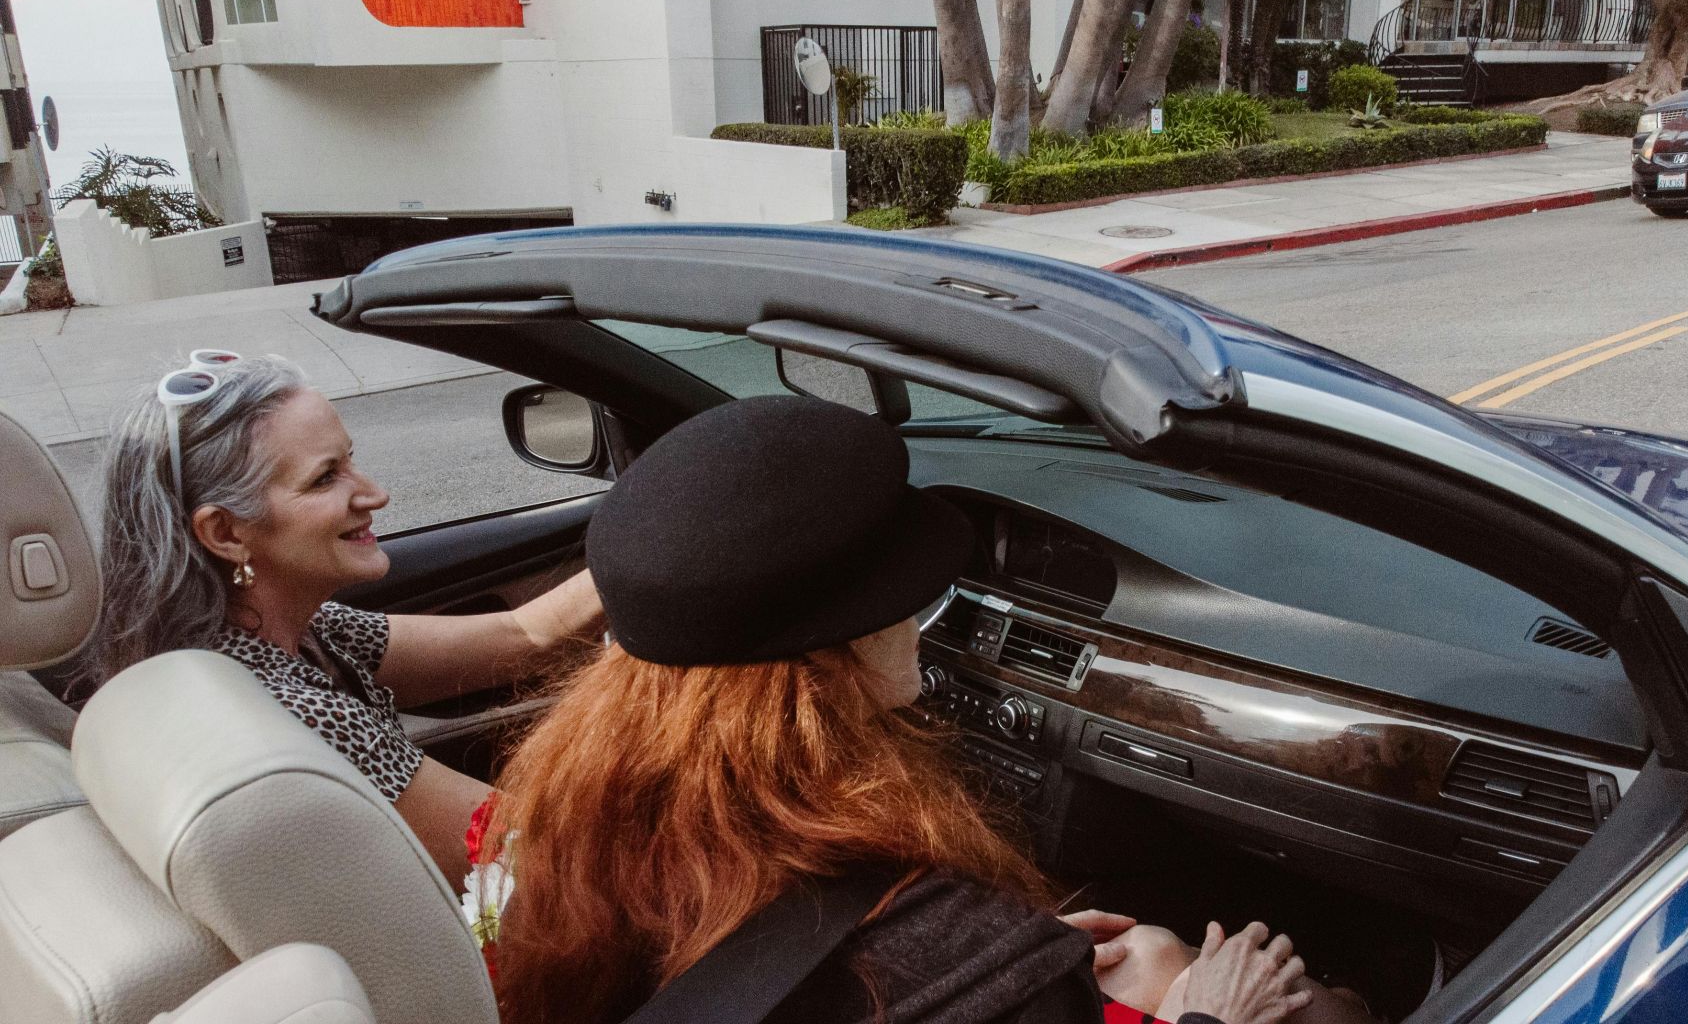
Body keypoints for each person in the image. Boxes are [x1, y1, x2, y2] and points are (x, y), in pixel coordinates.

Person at [482, 396, 1372, 1024]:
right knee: (1202, 969)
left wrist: (996, 966)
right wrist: (1204, 1017)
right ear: (830, 659)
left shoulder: (574, 830)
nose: (916, 620)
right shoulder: (951, 950)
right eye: (904, 598)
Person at [88, 353, 602, 884]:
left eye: (349, 460)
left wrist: (649, 562)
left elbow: (521, 636)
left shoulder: (288, 635)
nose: (376, 494)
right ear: (225, 533)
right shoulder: (296, 717)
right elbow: (542, 854)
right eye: (325, 478)